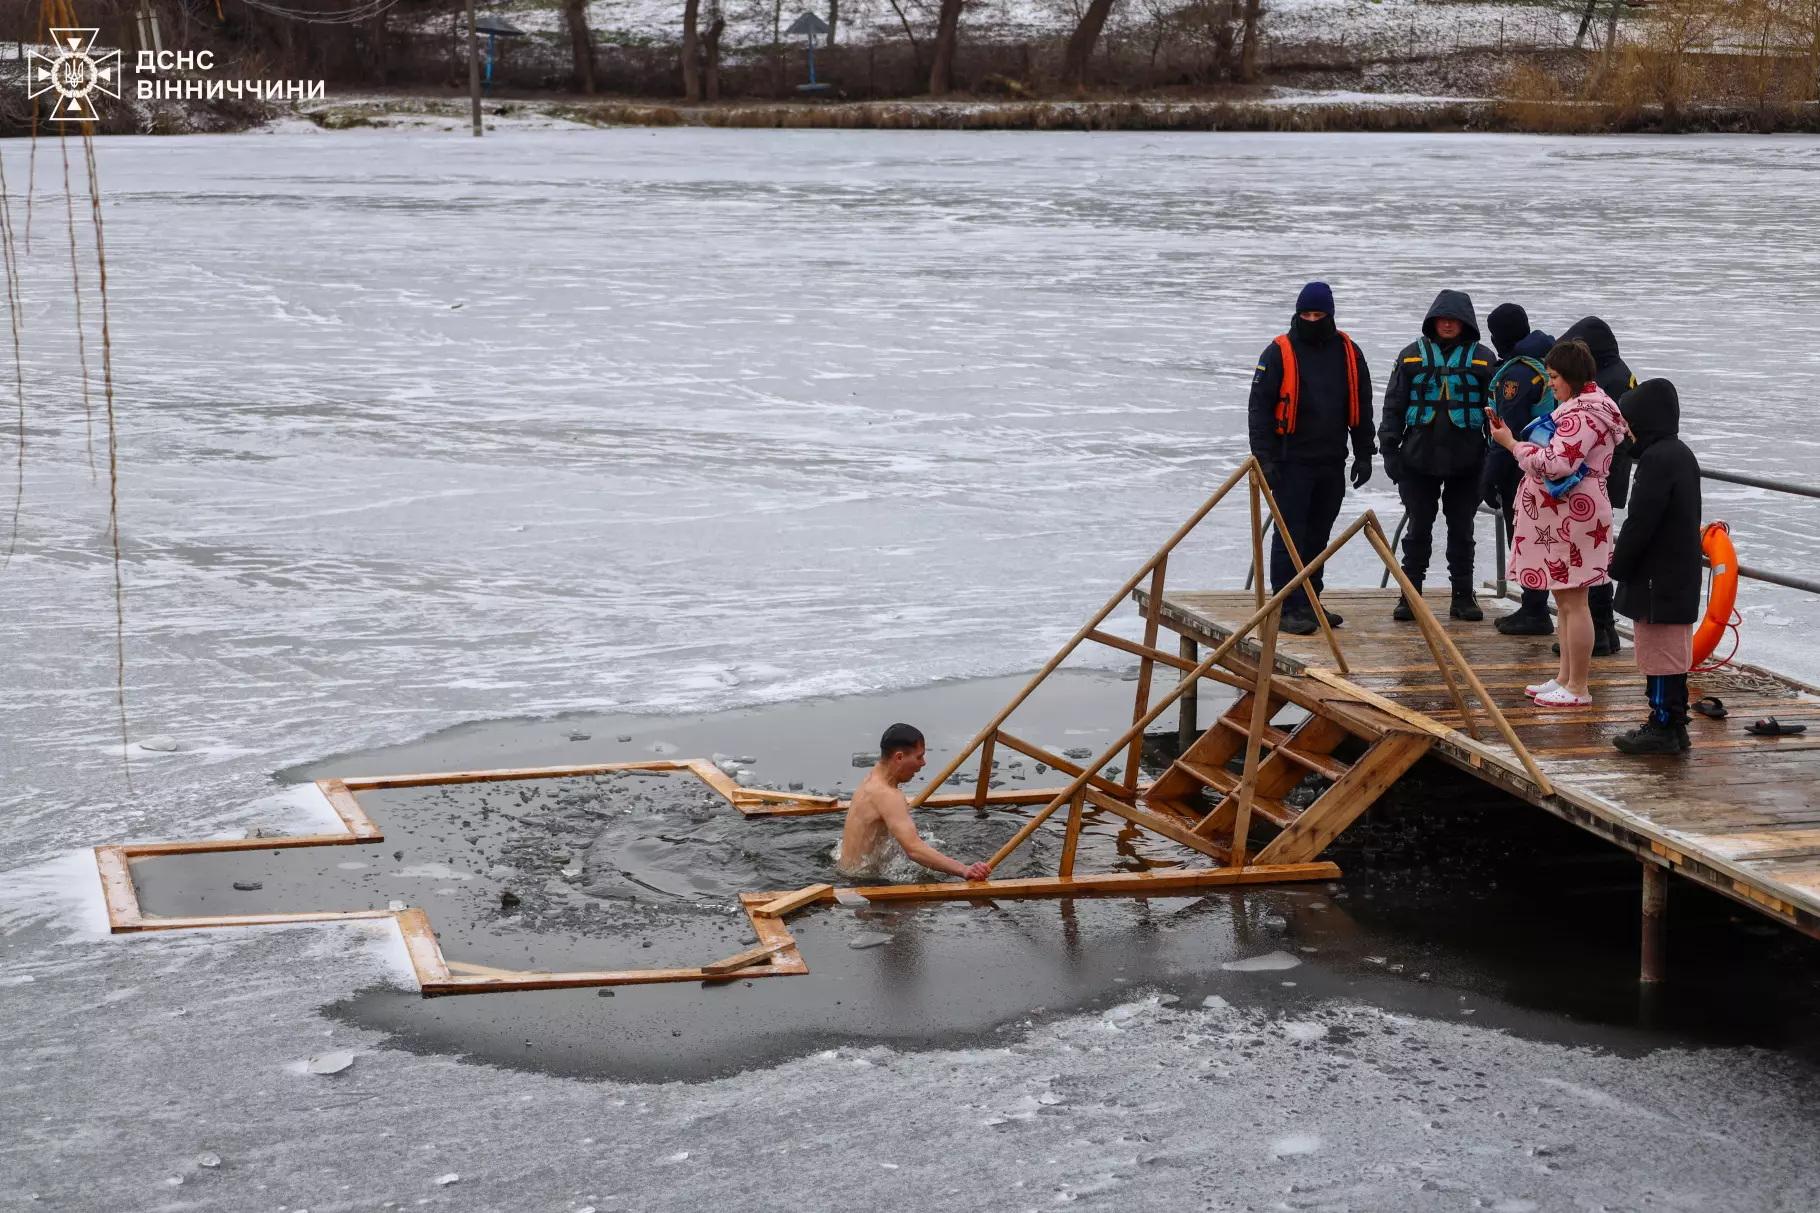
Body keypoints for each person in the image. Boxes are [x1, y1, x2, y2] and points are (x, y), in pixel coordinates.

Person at [1488, 339, 1627, 708]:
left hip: (1574, 515)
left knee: (1575, 600)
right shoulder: (1590, 407)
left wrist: (1511, 444)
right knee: (1565, 598)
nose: (1549, 384)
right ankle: (1565, 677)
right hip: (1574, 514)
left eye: (1553, 377)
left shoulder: (1582, 415)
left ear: (1571, 377)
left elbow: (1557, 464)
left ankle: (1578, 686)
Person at [1247, 281, 1374, 636]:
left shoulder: (1349, 352)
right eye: (1307, 314)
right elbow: (1258, 410)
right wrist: (1264, 460)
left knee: (1318, 536)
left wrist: (1364, 452)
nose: (1313, 320)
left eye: (1319, 315)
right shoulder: (1278, 352)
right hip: (1291, 462)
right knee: (1289, 536)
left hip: (1332, 460)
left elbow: (1362, 404)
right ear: (1297, 314)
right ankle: (1286, 607)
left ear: (1330, 315)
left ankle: (1310, 602)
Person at [1379, 289, 1498, 622]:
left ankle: (1463, 596)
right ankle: (1410, 596)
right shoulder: (1410, 357)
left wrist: (1494, 464)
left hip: (1468, 461)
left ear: (1465, 323)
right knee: (1418, 530)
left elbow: (1497, 414)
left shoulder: (1484, 359)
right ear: (1432, 320)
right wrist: (1389, 450)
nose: (1447, 324)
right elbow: (1393, 406)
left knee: (1462, 531)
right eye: (1442, 319)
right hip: (1418, 460)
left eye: (1454, 320)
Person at [1608, 379, 1703, 754]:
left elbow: (1640, 521)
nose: (1627, 431)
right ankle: (1674, 726)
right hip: (1677, 572)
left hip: (1657, 576)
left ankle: (1662, 725)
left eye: (1629, 422)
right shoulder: (1680, 454)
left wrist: (1619, 564)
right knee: (1672, 652)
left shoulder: (1657, 460)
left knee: (1660, 653)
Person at [1560, 316, 1639, 657]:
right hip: (1612, 474)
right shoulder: (1620, 374)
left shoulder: (1604, 384)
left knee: (1588, 560)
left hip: (1596, 478)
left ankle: (1600, 630)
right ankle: (1605, 630)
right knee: (1596, 556)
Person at [1481, 302, 1559, 636]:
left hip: (1523, 468)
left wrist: (1489, 477)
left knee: (1526, 538)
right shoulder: (1545, 361)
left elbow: (1506, 429)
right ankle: (1535, 606)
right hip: (1550, 464)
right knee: (1544, 538)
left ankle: (1534, 609)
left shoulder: (1517, 373)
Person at [836, 723, 991, 882]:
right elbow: (914, 850)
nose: (923, 763)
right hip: (865, 883)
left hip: (846, 873)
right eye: (919, 757)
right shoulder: (888, 795)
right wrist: (964, 869)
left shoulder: (872, 778)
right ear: (899, 757)